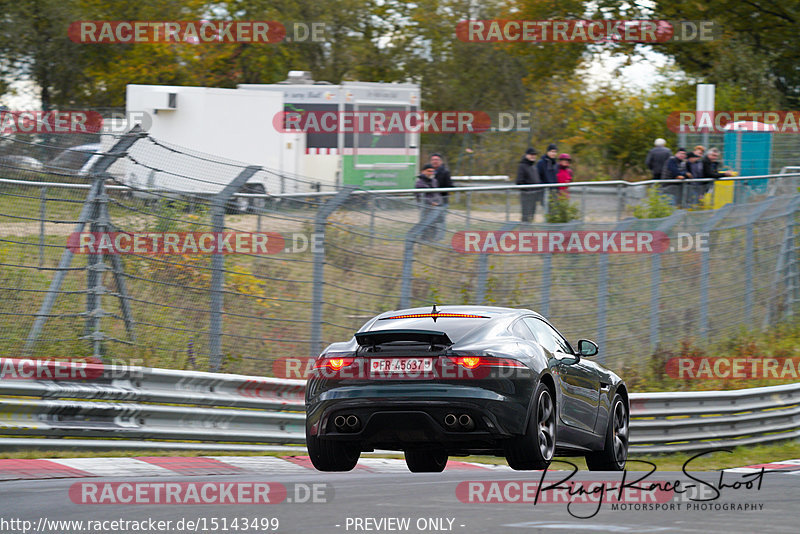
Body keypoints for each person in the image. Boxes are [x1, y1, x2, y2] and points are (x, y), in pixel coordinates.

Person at [415, 164, 441, 240]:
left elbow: (437, 193)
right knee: (425, 223)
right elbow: (421, 196)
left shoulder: (434, 181)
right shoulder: (419, 183)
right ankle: (424, 239)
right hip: (425, 207)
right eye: (429, 171)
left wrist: (438, 202)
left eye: (432, 171)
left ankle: (432, 239)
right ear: (423, 172)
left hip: (435, 206)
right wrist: (431, 202)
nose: (431, 173)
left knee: (434, 224)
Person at [429, 153, 452, 239]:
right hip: (431, 201)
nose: (435, 161)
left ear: (441, 161)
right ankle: (431, 237)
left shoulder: (445, 172)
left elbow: (449, 186)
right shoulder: (429, 171)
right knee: (430, 220)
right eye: (433, 160)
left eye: (437, 159)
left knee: (441, 220)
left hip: (442, 201)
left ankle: (440, 238)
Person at [516, 148, 541, 223]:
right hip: (526, 196)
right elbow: (519, 181)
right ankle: (523, 231)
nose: (533, 156)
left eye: (534, 155)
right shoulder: (522, 166)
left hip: (534, 196)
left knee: (532, 216)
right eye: (531, 154)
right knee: (526, 216)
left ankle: (530, 231)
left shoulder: (534, 167)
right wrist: (528, 190)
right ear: (526, 155)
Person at [536, 143, 559, 208]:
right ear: (547, 152)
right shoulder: (541, 163)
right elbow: (538, 177)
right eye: (552, 151)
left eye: (555, 152)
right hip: (545, 192)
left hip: (554, 192)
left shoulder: (555, 164)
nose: (553, 153)